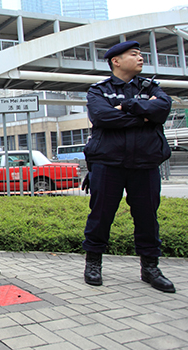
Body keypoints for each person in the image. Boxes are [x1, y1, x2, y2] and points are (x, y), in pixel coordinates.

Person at [82, 41, 175, 293]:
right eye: (134, 54)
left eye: (141, 54)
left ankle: (150, 268)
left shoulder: (151, 87)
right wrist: (144, 117)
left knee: (147, 216)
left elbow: (163, 108)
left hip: (145, 163)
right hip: (107, 162)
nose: (140, 57)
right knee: (101, 215)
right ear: (116, 61)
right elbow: (103, 117)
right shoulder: (99, 90)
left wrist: (129, 106)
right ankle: (93, 263)